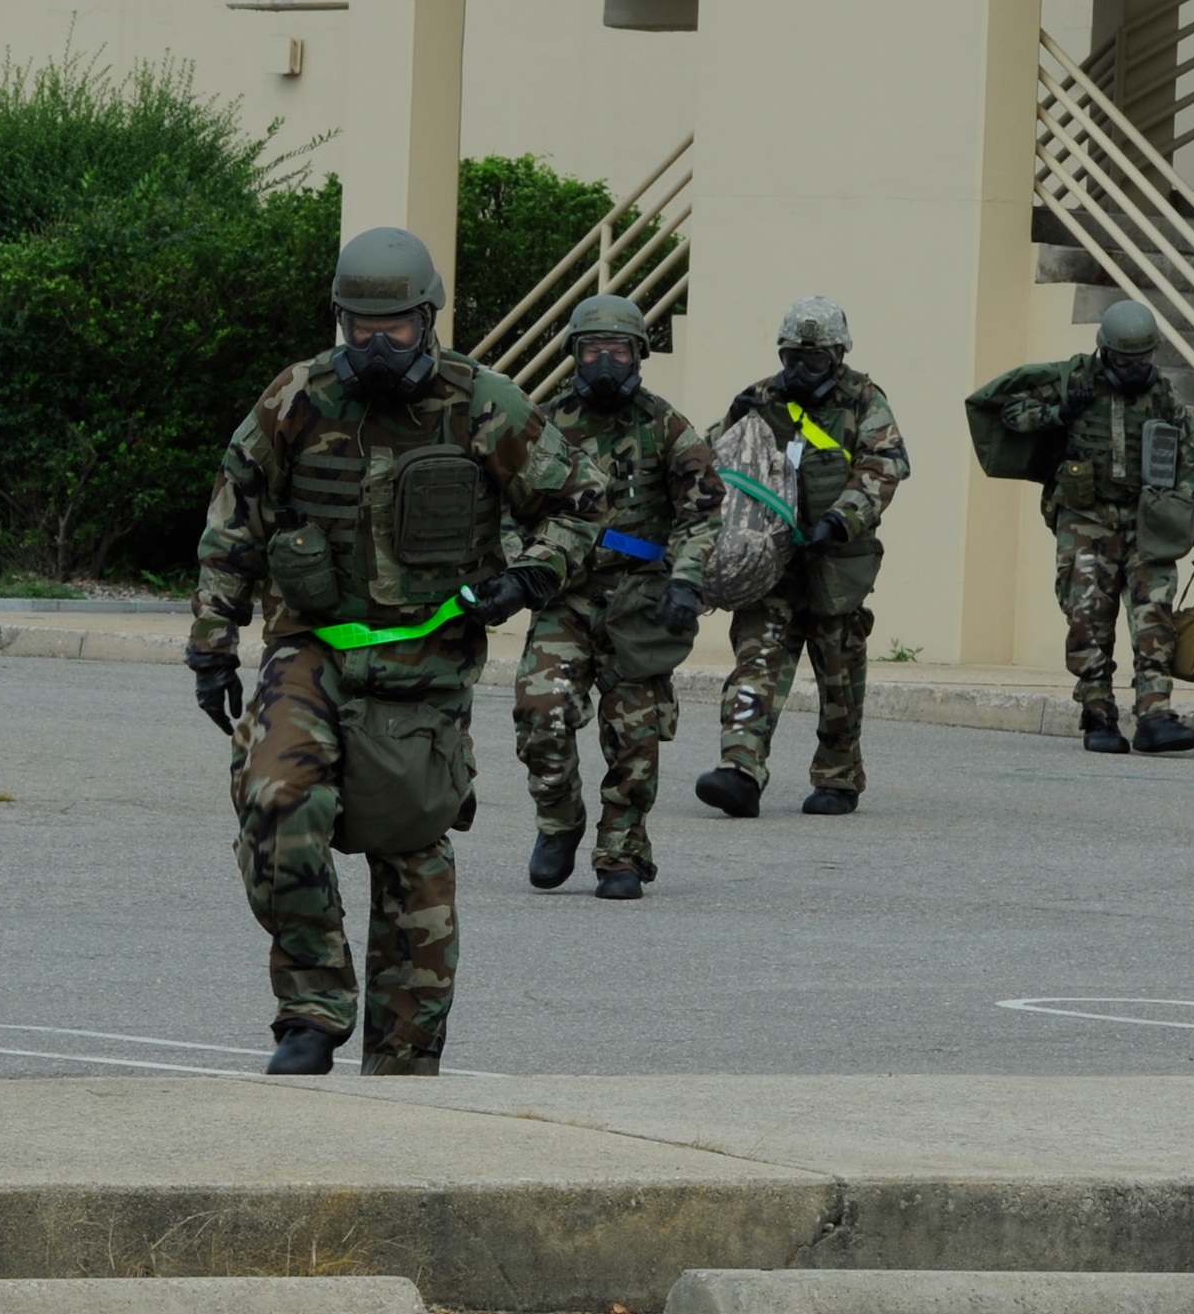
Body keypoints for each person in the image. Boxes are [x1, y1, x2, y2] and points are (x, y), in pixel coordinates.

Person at [186, 226, 604, 1077]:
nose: (376, 347)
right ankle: (311, 1006)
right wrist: (212, 644)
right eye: (359, 328)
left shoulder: (484, 404)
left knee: (410, 852)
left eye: (396, 330)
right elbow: (235, 520)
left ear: (429, 318)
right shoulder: (296, 399)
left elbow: (580, 503)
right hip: (312, 652)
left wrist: (529, 578)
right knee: (274, 801)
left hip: (425, 663)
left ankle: (406, 1058)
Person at [513, 294, 723, 901]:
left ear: (639, 356)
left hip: (640, 600)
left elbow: (703, 515)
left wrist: (686, 579)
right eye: (592, 349)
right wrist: (521, 568)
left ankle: (622, 849)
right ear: (573, 354)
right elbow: (503, 506)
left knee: (635, 734)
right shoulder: (542, 424)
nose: (606, 361)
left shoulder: (667, 426)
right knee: (541, 712)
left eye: (619, 349)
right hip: (566, 594)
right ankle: (558, 822)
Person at [695, 298, 909, 819]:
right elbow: (713, 454)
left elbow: (885, 464)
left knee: (839, 671)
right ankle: (740, 768)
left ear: (837, 356)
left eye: (813, 361)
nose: (800, 371)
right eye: (793, 357)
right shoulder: (759, 399)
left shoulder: (863, 400)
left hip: (837, 560)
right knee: (756, 658)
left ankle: (837, 776)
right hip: (768, 562)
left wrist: (841, 518)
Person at [998, 299, 1194, 756]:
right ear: (1106, 353)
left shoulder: (1165, 397)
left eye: (1143, 360)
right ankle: (1097, 711)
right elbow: (1011, 413)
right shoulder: (1073, 381)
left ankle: (1155, 714)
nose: (1135, 369)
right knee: (1087, 616)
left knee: (1154, 614)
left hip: (1146, 518)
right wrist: (1058, 412)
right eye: (1125, 360)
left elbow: (1186, 469)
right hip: (1086, 519)